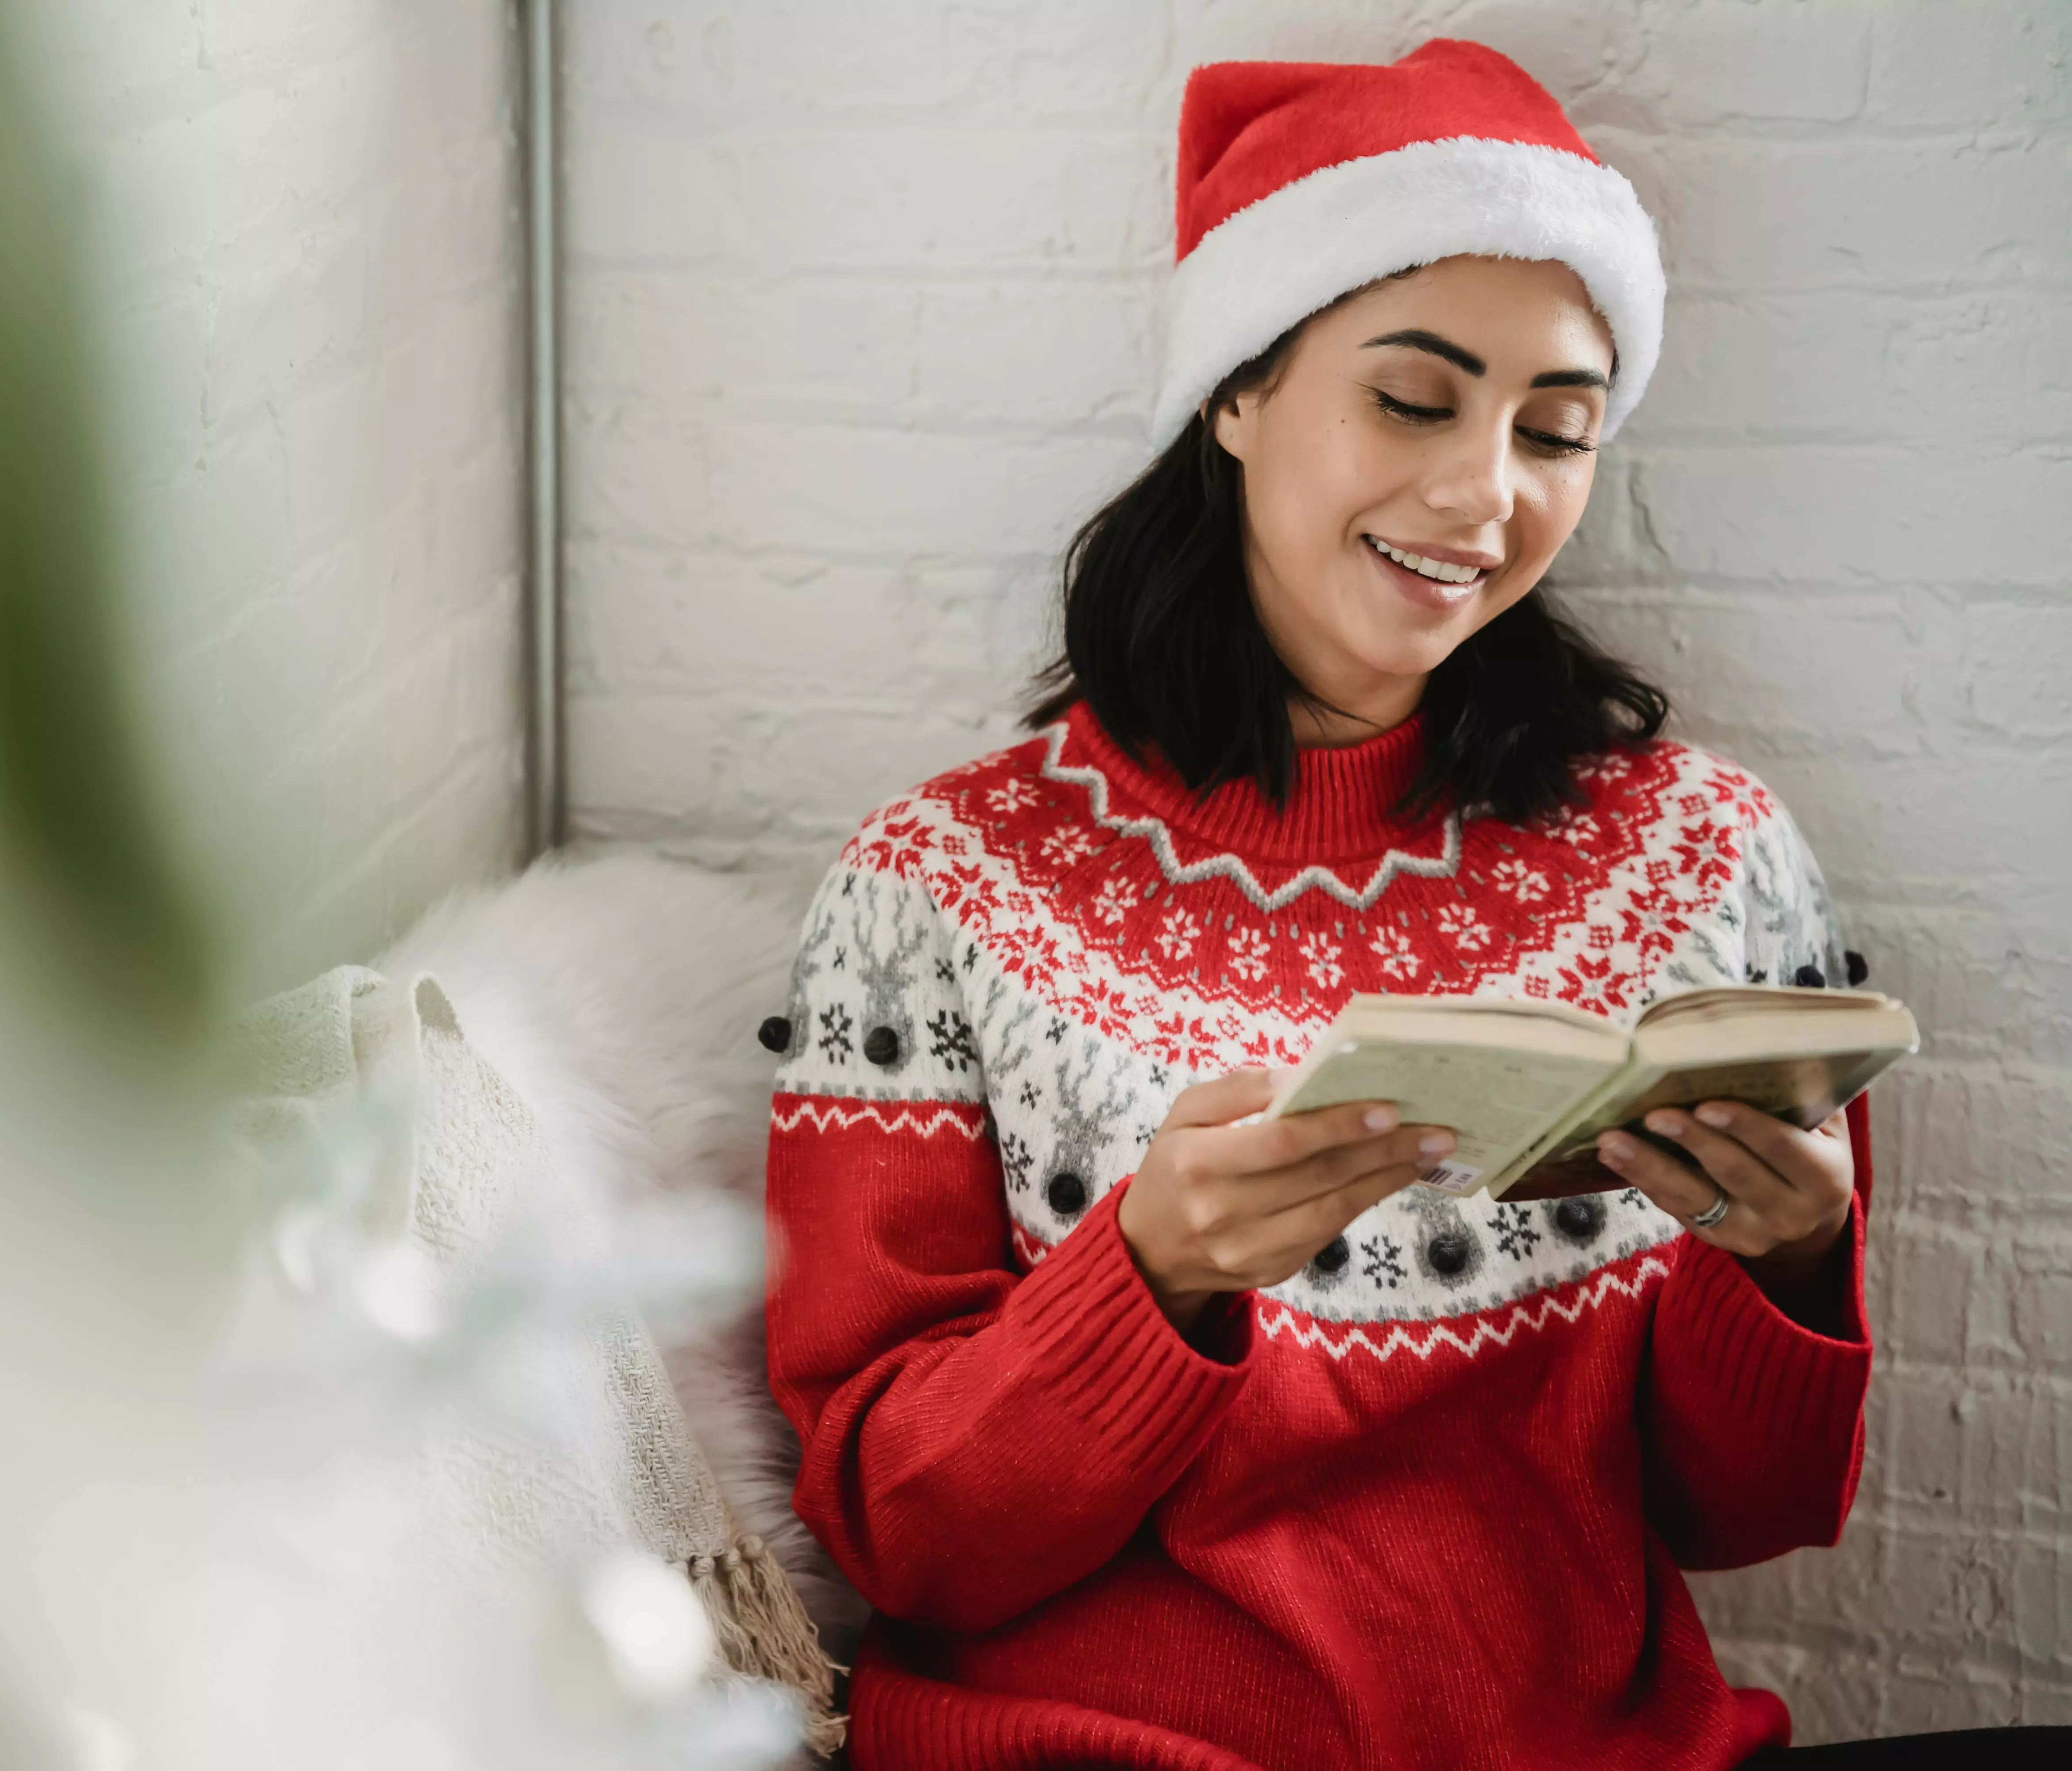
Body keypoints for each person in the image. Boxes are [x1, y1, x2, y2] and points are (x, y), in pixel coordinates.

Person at [759, 39, 2064, 1771]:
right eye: (1415, 397)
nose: (1487, 495)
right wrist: (1149, 1275)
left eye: (1558, 429)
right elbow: (895, 1534)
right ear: (1239, 390)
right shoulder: (934, 885)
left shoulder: (1707, 859)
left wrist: (1793, 1262)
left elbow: (1736, 1515)